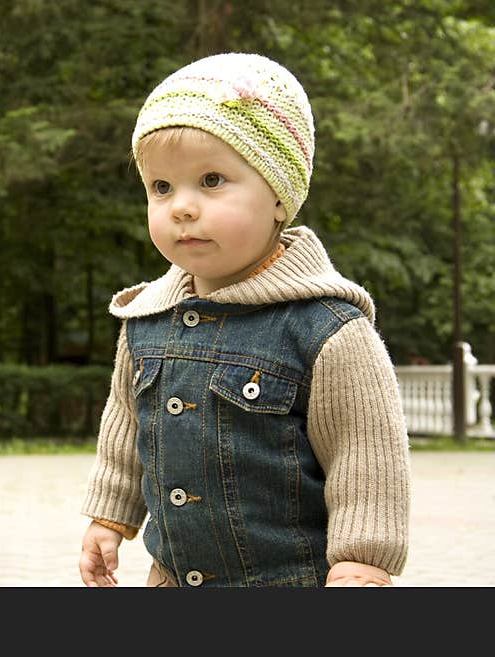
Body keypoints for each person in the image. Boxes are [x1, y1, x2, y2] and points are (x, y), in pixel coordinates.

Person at [78, 52, 410, 588]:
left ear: (279, 196)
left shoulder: (326, 327)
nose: (181, 206)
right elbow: (124, 429)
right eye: (161, 187)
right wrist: (108, 517)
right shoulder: (146, 319)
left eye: (211, 180)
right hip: (173, 580)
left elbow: (365, 454)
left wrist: (363, 560)